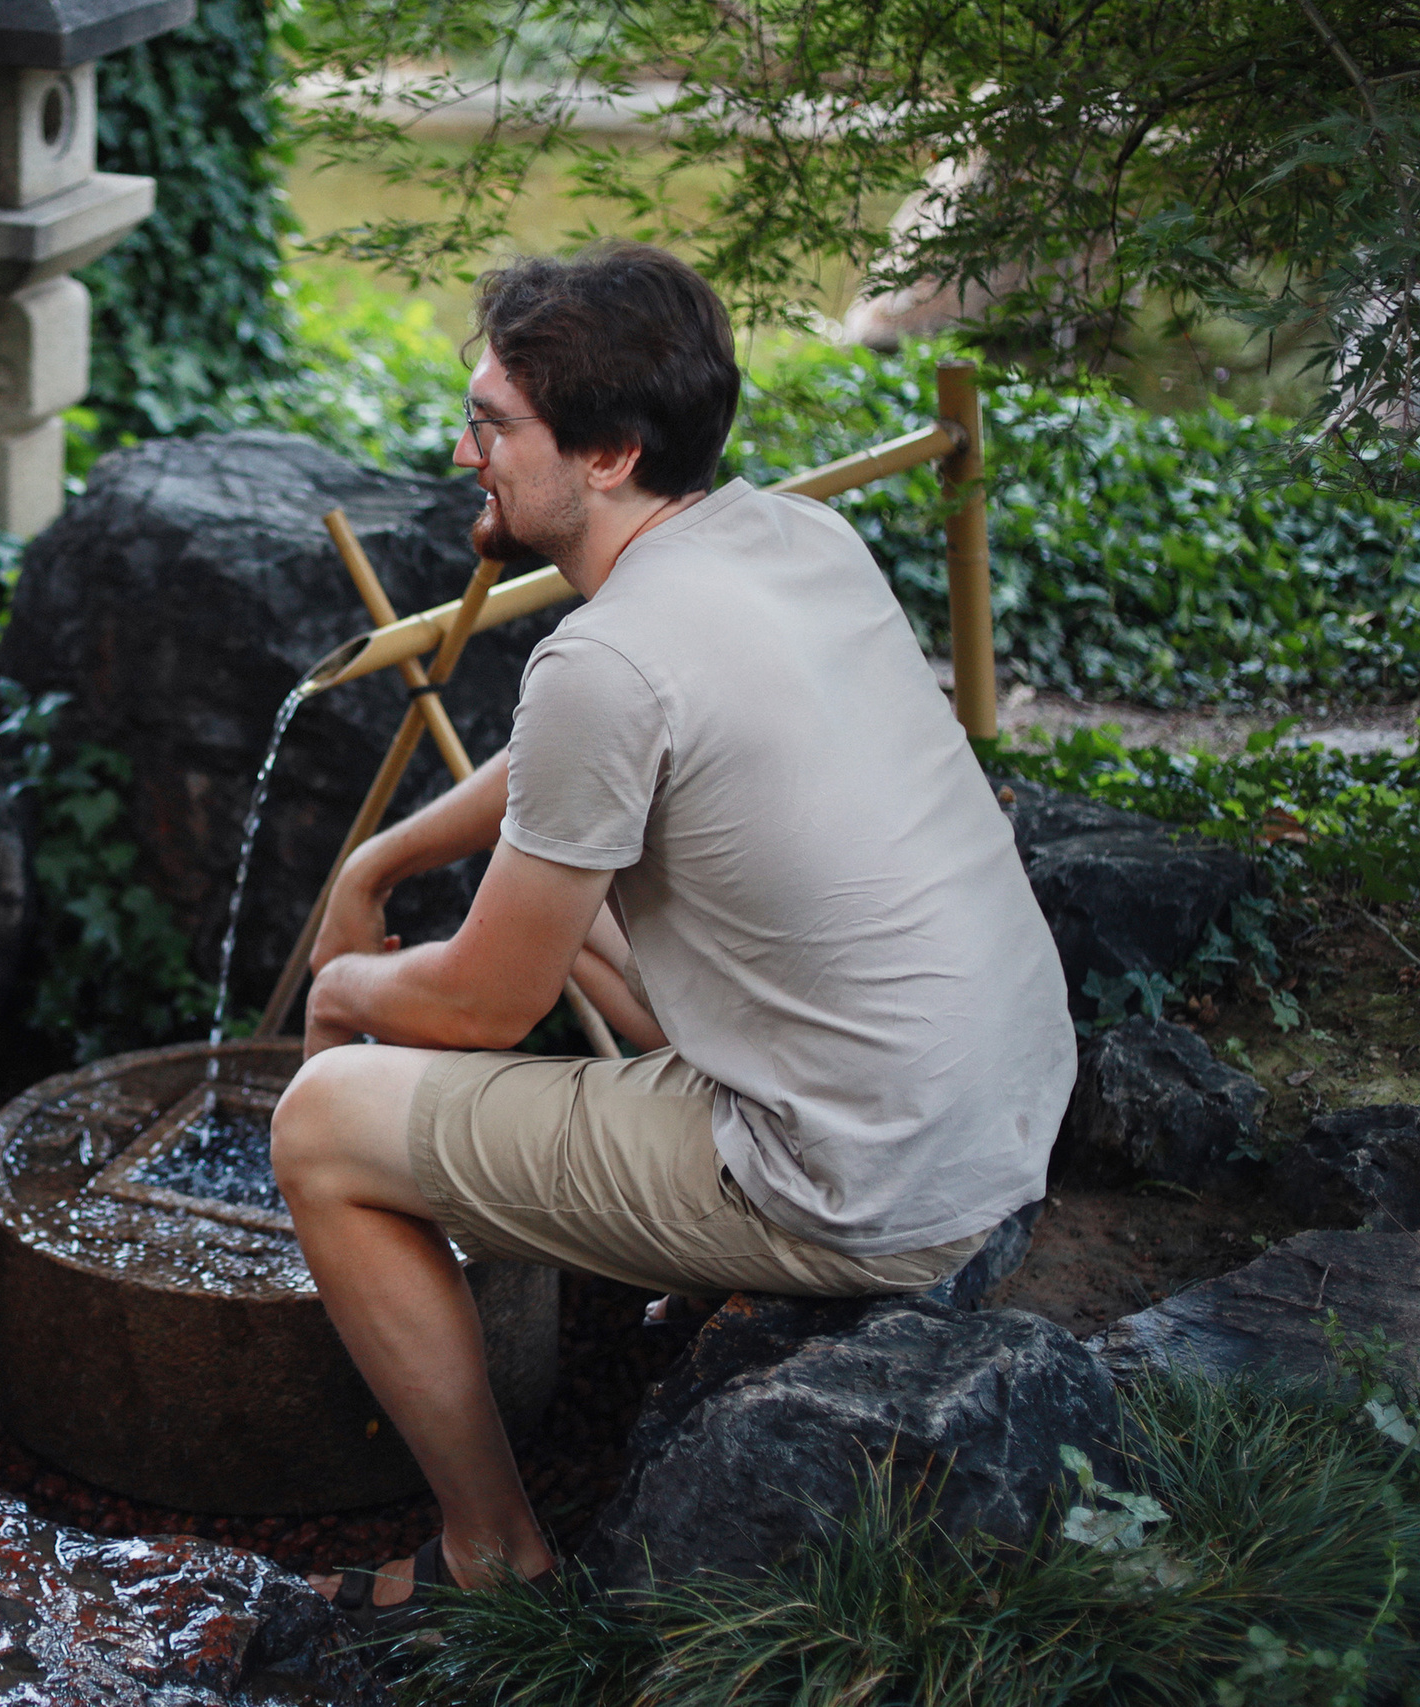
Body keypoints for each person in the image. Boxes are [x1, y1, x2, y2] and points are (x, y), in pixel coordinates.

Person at [269, 244, 1073, 1617]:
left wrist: (348, 984)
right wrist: (391, 858)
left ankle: (489, 1554)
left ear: (608, 454)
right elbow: (571, 766)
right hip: (991, 1107)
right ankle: (578, 1276)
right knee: (549, 916)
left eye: (493, 427)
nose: (468, 453)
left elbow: (479, 1012)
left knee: (322, 1126)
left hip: (857, 1179)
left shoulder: (607, 658)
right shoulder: (790, 536)